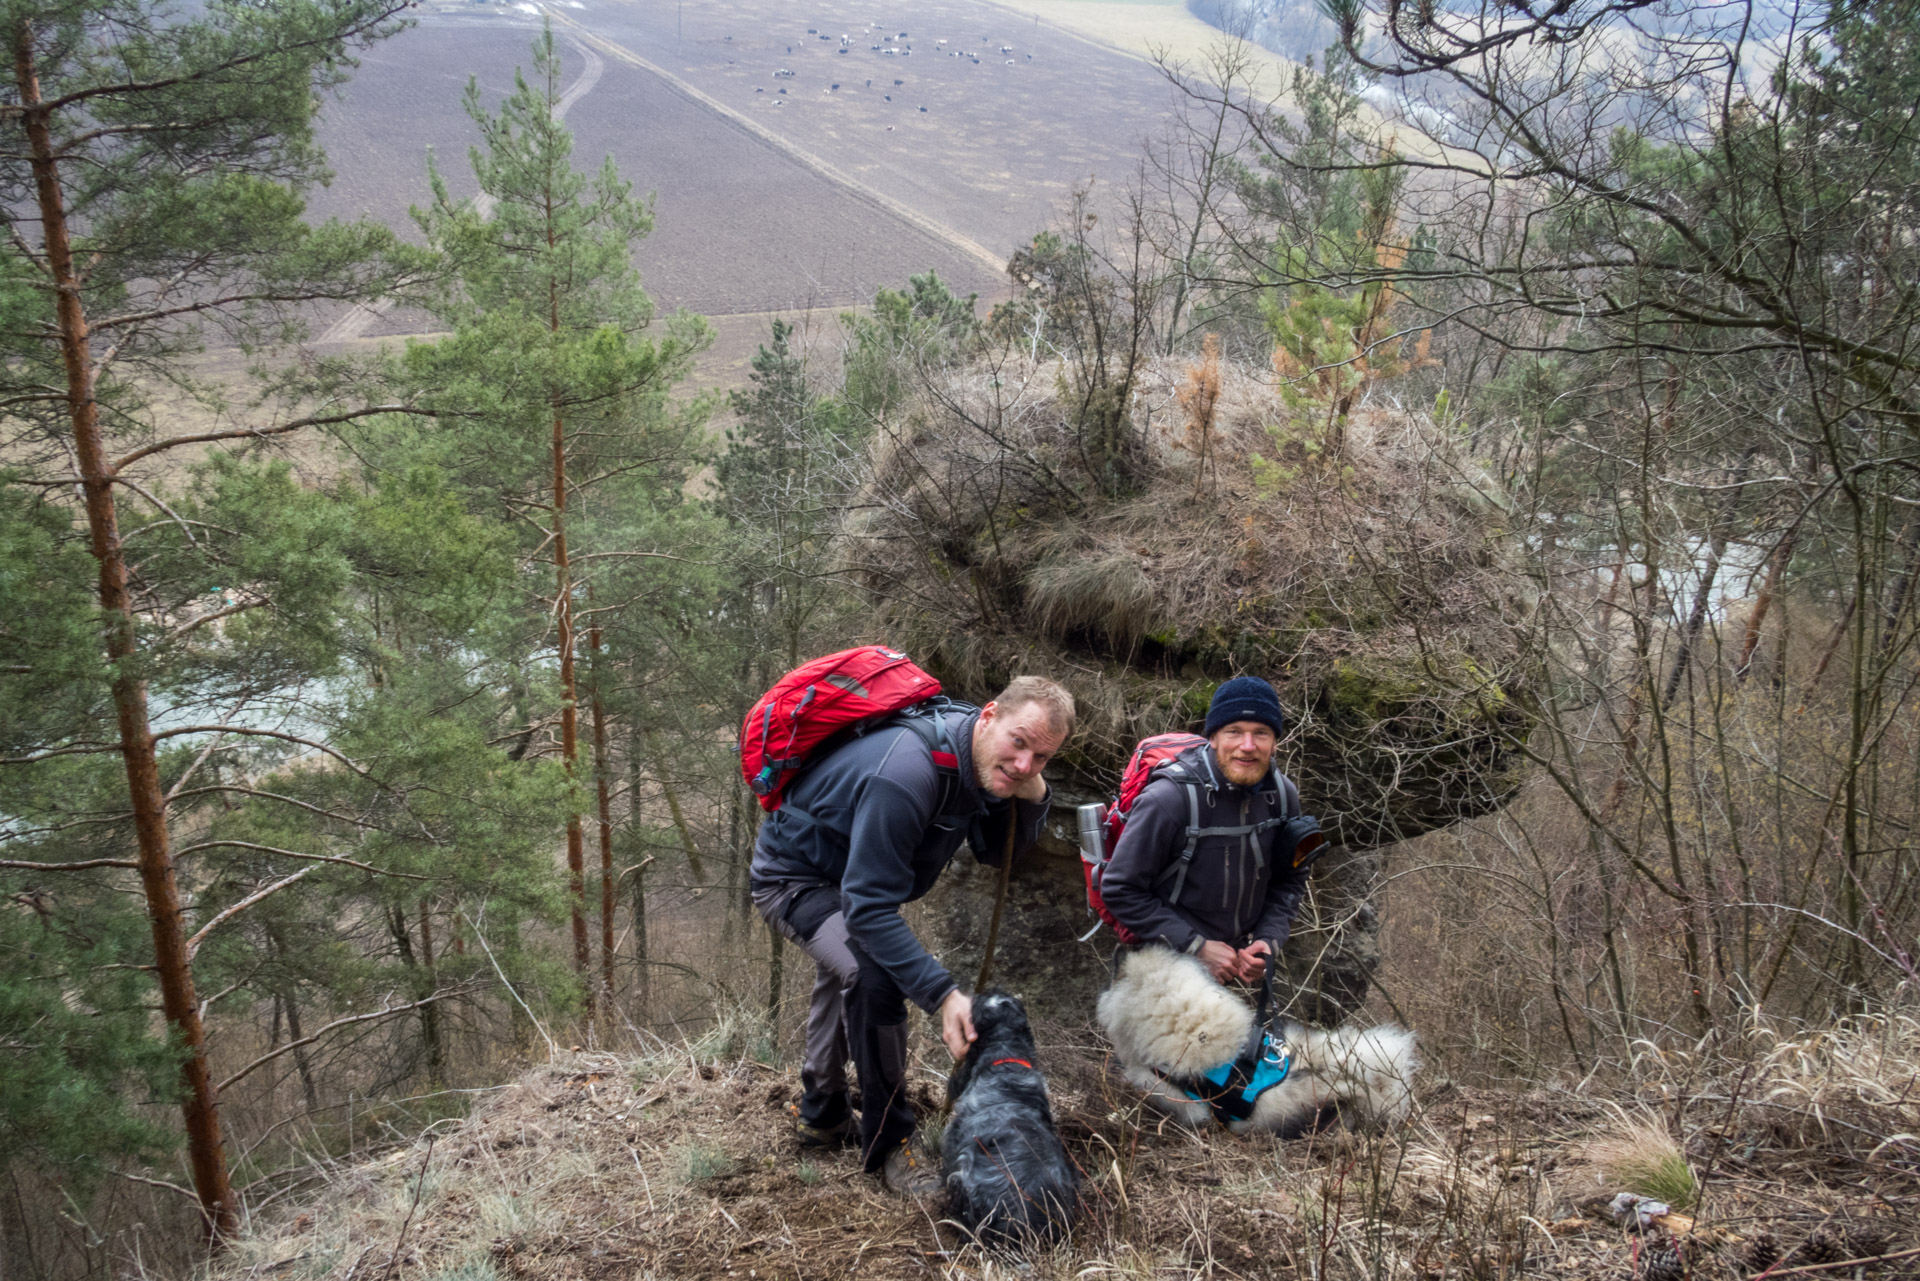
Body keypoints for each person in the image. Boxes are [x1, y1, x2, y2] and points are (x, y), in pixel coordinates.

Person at [749, 676, 1074, 1194]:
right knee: (872, 972)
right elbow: (867, 908)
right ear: (988, 715)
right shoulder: (907, 772)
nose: (1024, 764)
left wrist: (1034, 793)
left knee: (850, 968)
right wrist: (943, 995)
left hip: (848, 879)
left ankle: (822, 1116)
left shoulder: (979, 760)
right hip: (796, 879)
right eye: (1019, 742)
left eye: (1041, 757)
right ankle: (889, 1145)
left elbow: (997, 852)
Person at [1100, 676, 1308, 988]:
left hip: (1233, 967)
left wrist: (1268, 942)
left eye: (1261, 733)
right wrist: (1196, 946)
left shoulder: (1283, 796)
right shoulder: (1169, 799)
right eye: (1234, 732)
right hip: (1160, 967)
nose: (1247, 746)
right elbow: (1120, 889)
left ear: (1275, 741)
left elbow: (1291, 879)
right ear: (1213, 737)